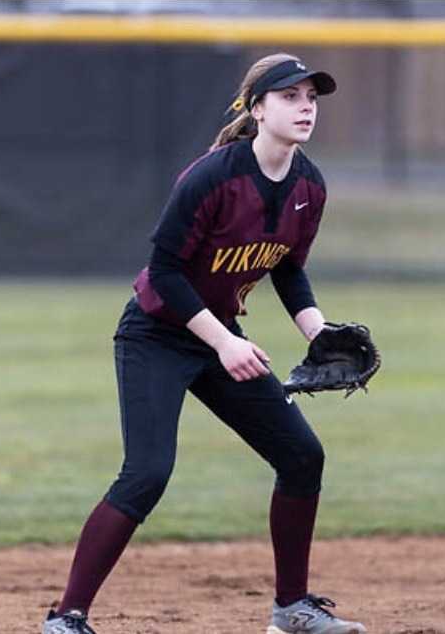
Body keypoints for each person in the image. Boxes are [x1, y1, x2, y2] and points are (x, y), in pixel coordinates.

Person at [42, 53, 366, 634]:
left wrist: (317, 331)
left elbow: (287, 268)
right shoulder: (213, 177)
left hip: (220, 338)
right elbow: (164, 272)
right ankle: (66, 617)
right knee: (147, 473)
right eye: (289, 96)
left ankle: (291, 609)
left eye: (311, 98)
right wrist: (223, 343)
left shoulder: (308, 186)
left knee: (302, 456)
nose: (305, 108)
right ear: (257, 108)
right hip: (155, 335)